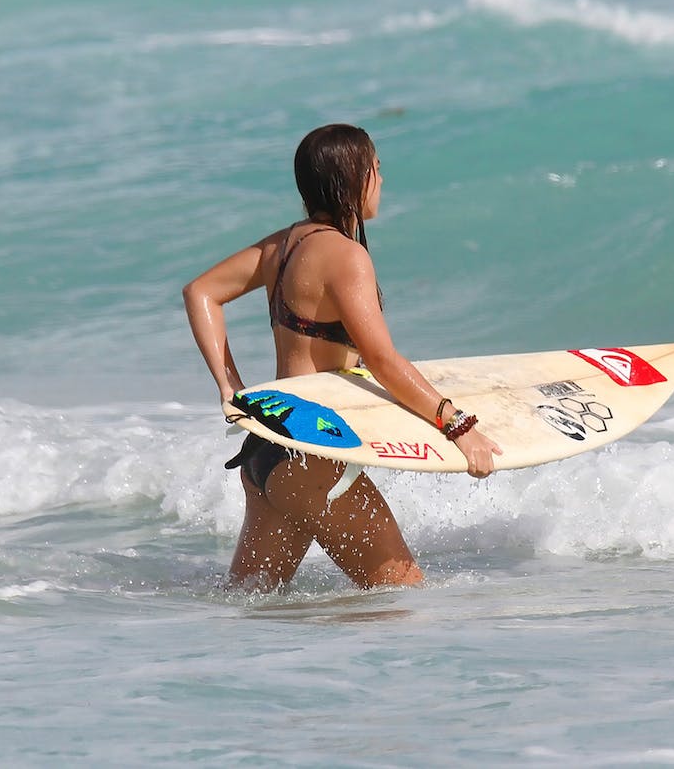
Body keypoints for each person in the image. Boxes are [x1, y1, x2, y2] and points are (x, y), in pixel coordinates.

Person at [183, 124, 501, 592]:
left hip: (268, 449)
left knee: (250, 610)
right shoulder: (346, 256)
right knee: (402, 599)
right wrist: (457, 425)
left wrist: (230, 387)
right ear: (353, 178)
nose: (382, 181)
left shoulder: (284, 245)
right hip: (312, 459)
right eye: (376, 169)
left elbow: (201, 292)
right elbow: (382, 359)